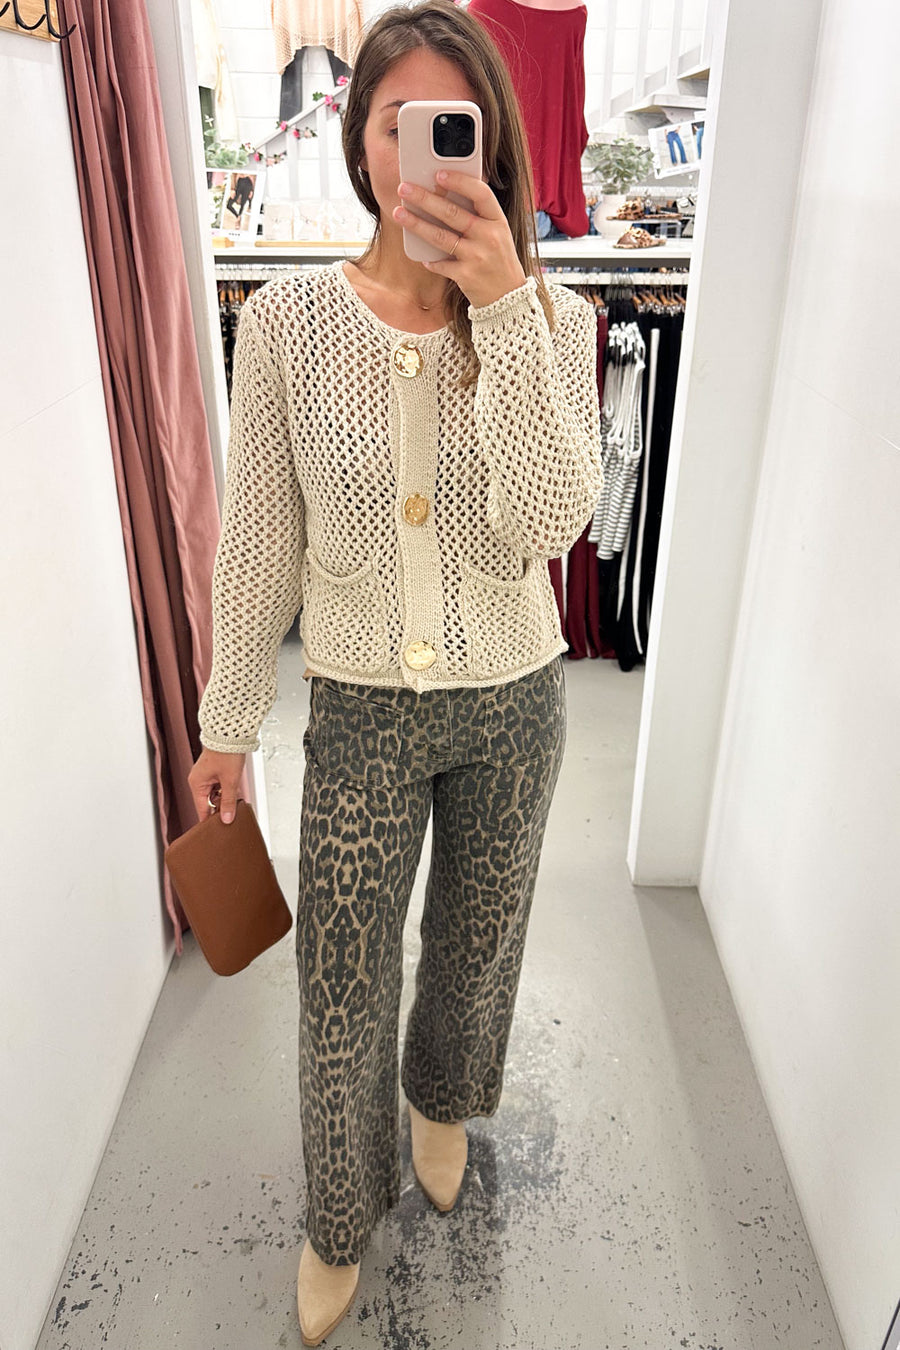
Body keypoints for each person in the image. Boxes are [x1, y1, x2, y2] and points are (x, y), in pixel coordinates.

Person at [187, 1, 604, 1343]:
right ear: (362, 144)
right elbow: (259, 541)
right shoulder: (289, 326)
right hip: (361, 710)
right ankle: (334, 1212)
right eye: (393, 122)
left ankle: (442, 1102)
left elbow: (553, 523)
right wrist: (228, 719)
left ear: (493, 143)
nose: (419, 152)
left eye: (450, 125)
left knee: (478, 948)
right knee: (343, 980)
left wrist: (507, 313)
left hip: (513, 703)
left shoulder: (558, 318)